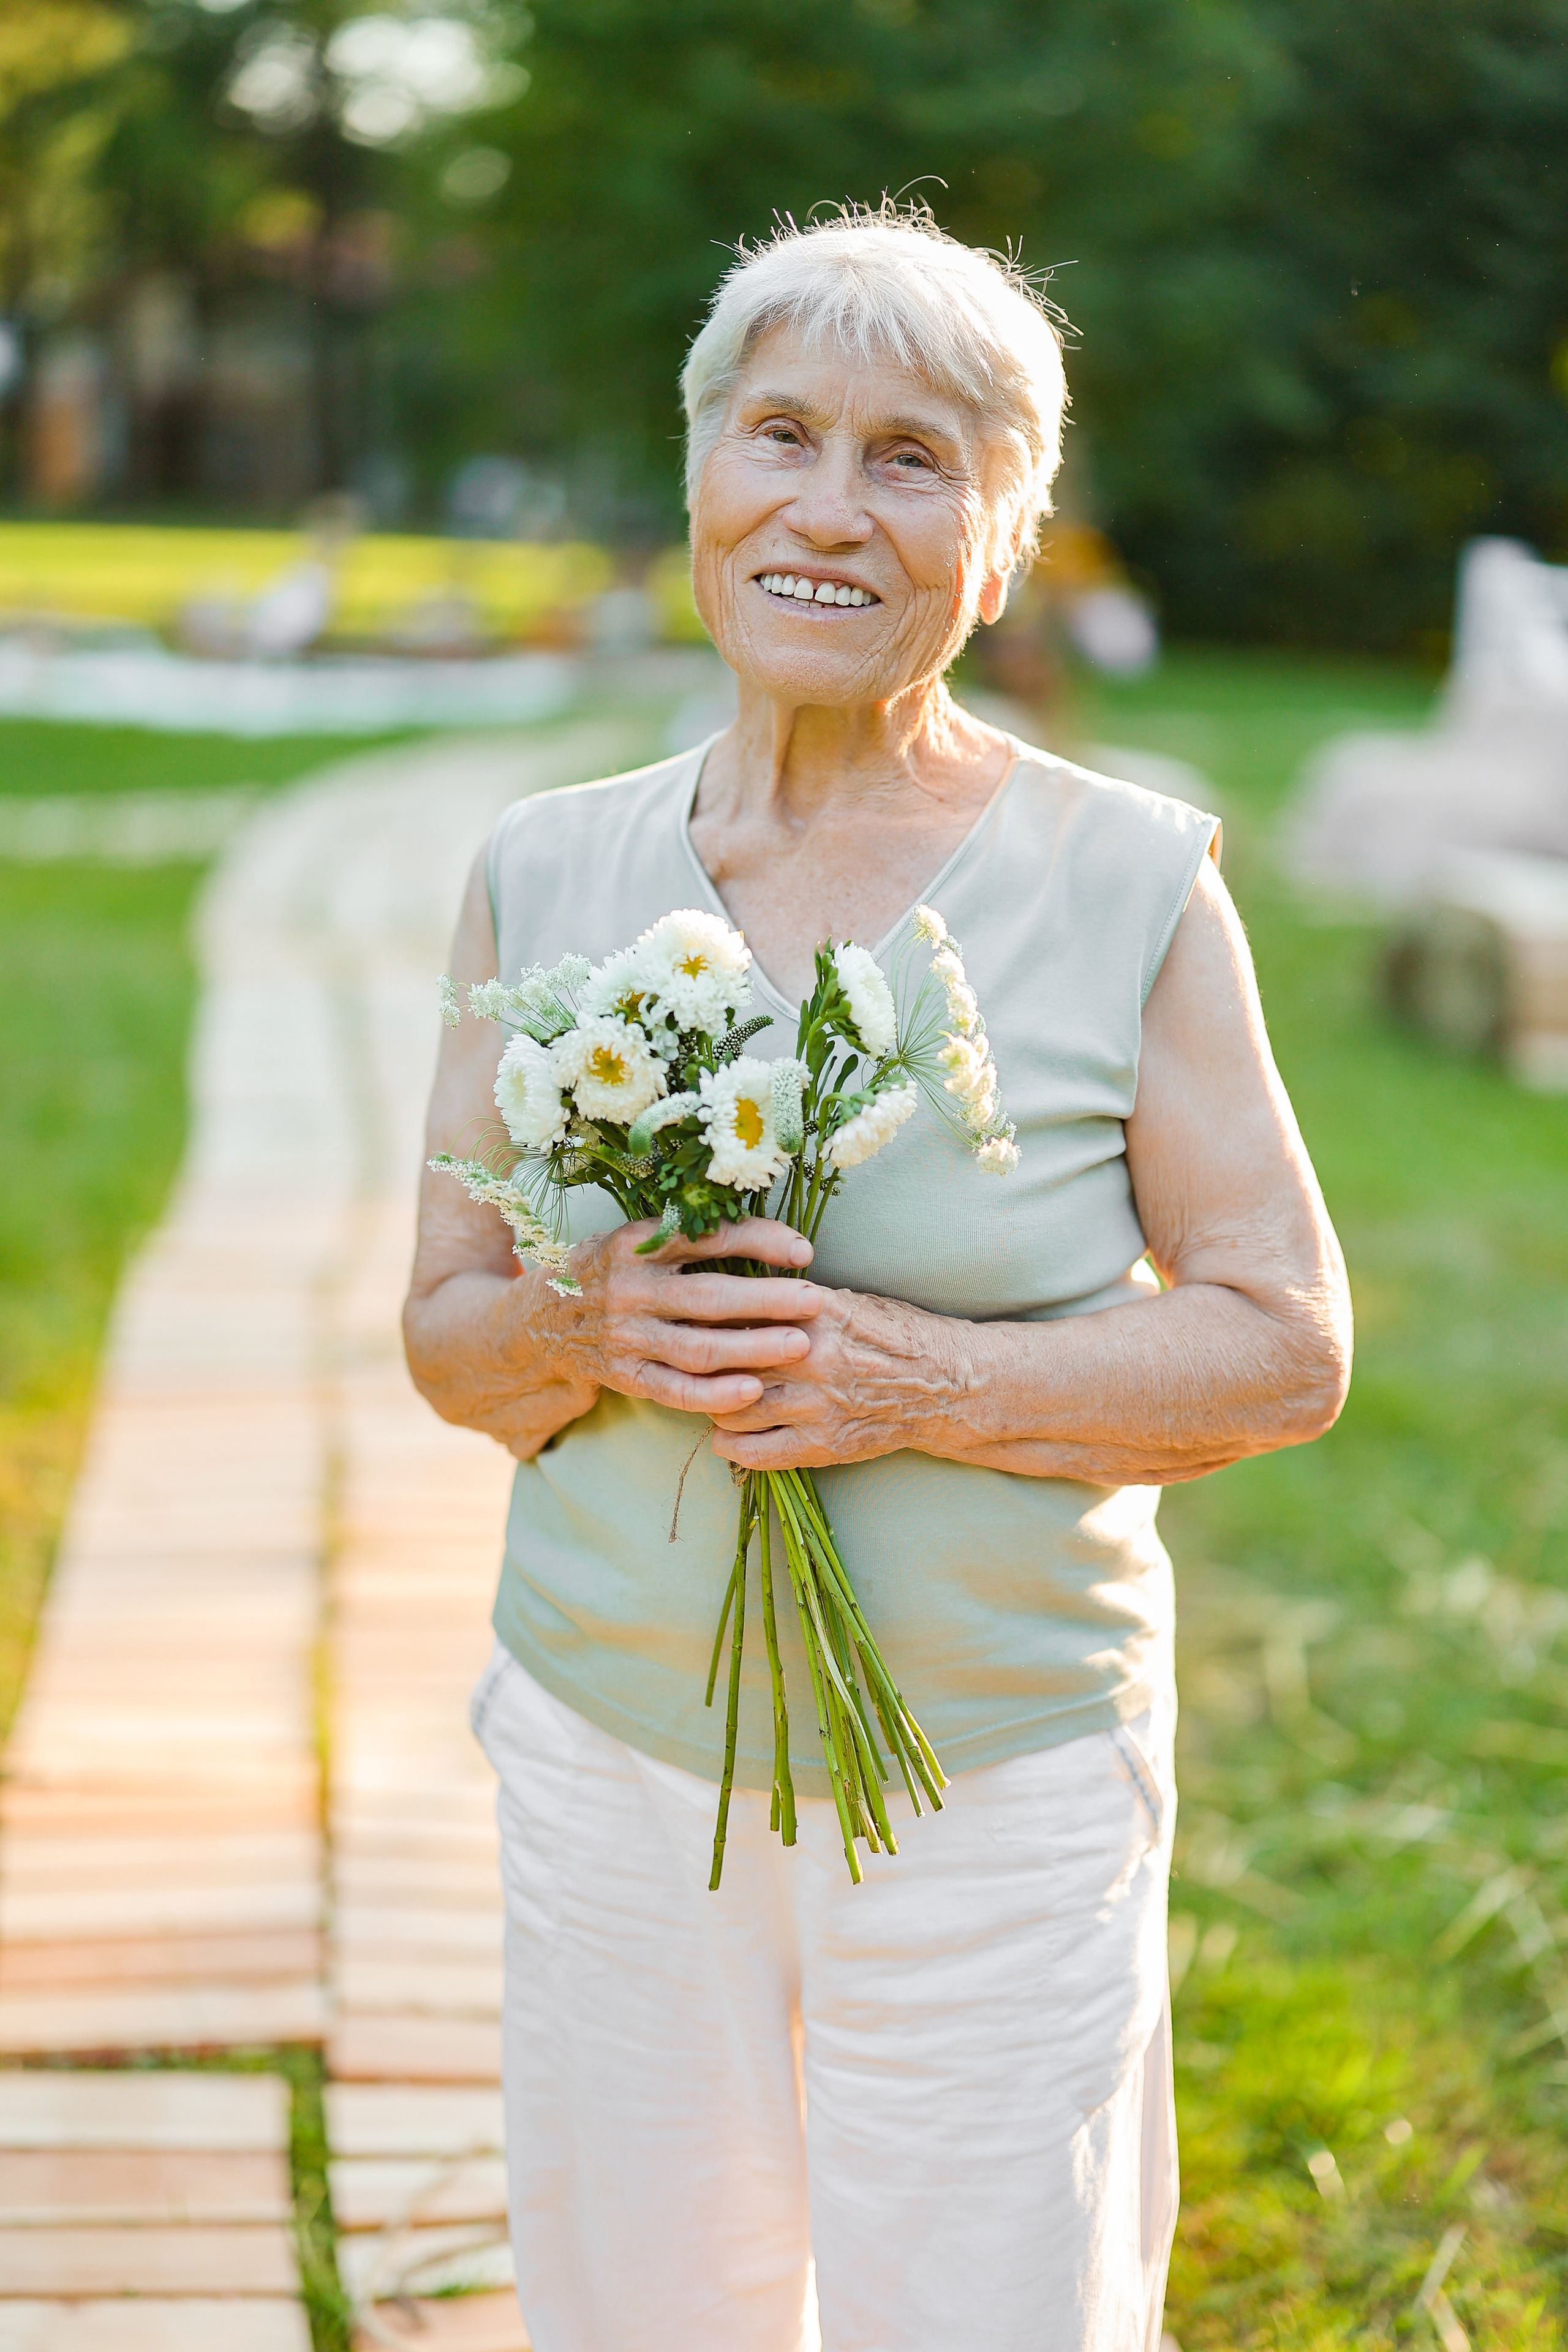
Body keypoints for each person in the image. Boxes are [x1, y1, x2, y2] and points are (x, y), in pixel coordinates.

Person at [404, 203, 1352, 2352]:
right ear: (700, 484)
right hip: (611, 1752)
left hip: (994, 1779)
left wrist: (914, 1380)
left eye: (916, 460)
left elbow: (1284, 1346)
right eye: (783, 435)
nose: (831, 508)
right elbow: (449, 1336)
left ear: (999, 550)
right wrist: (586, 1323)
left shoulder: (1132, 881)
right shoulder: (541, 870)